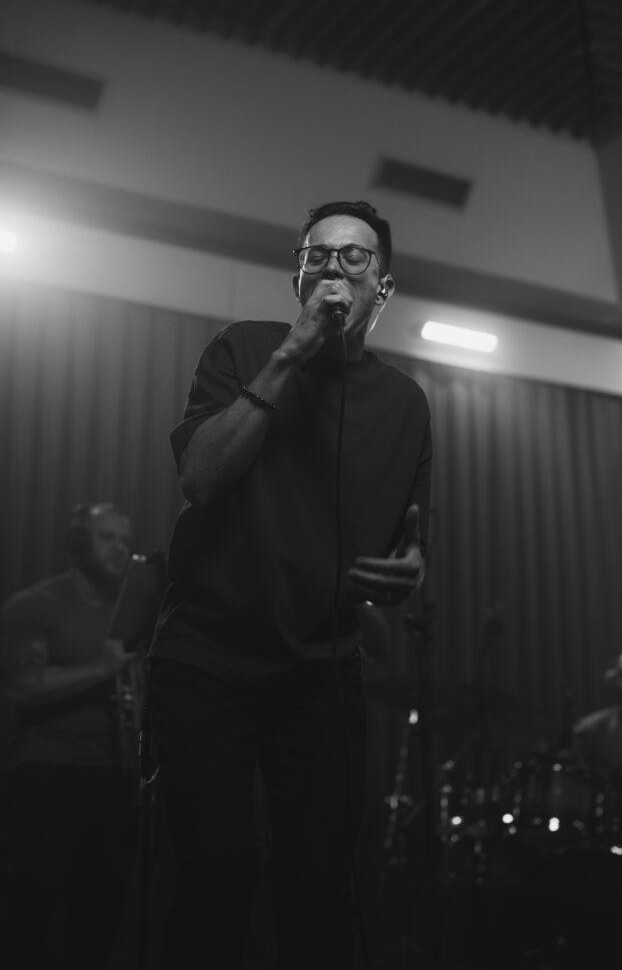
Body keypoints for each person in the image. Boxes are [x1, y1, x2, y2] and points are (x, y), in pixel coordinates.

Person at [148, 199, 433, 969]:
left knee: (319, 888)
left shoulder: (404, 404)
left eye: (354, 256)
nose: (334, 266)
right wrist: (290, 356)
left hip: (320, 669)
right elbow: (201, 478)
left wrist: (409, 571)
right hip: (207, 657)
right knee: (215, 875)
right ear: (297, 277)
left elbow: (410, 542)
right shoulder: (245, 346)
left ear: (383, 287)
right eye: (318, 255)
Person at [0, 501, 139, 970]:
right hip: (47, 772)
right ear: (79, 544)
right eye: (108, 537)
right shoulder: (36, 604)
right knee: (32, 907)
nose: (120, 549)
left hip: (114, 775)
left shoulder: (128, 614)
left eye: (125, 540)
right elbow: (22, 686)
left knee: (100, 914)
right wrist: (102, 668)